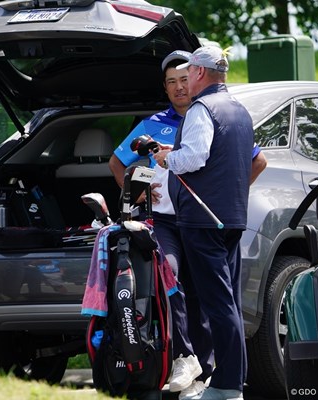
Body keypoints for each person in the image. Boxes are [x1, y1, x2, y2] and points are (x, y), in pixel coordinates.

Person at [153, 46, 254, 400]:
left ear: (198, 73)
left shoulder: (202, 109)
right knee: (229, 303)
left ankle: (227, 387)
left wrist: (167, 158)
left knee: (217, 305)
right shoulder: (240, 110)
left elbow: (193, 158)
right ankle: (232, 382)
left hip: (202, 220)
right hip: (232, 218)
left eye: (189, 72)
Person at [109, 50, 206, 398]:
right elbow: (117, 163)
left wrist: (229, 197)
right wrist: (133, 194)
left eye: (184, 80)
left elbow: (255, 161)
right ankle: (184, 357)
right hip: (164, 221)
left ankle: (205, 372)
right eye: (172, 83)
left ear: (196, 79)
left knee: (205, 290)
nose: (179, 88)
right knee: (171, 280)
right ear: (165, 88)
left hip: (203, 222)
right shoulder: (152, 123)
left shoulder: (209, 115)